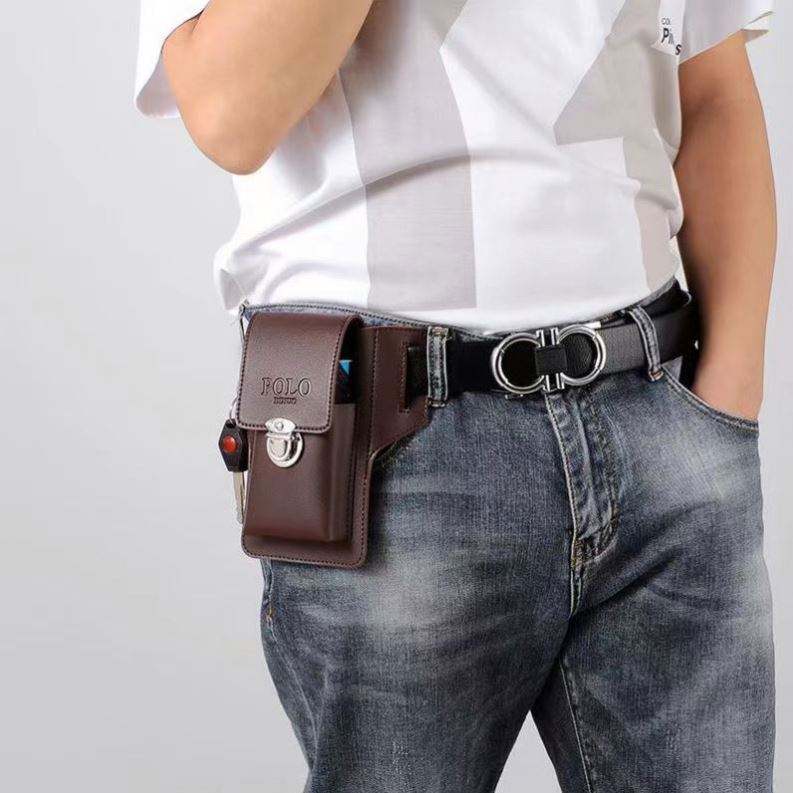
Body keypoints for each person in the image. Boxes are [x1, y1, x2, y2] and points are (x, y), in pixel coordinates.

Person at [135, 2, 777, 791]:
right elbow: (232, 114)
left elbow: (710, 87)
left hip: (659, 411)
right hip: (394, 448)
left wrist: (725, 401)